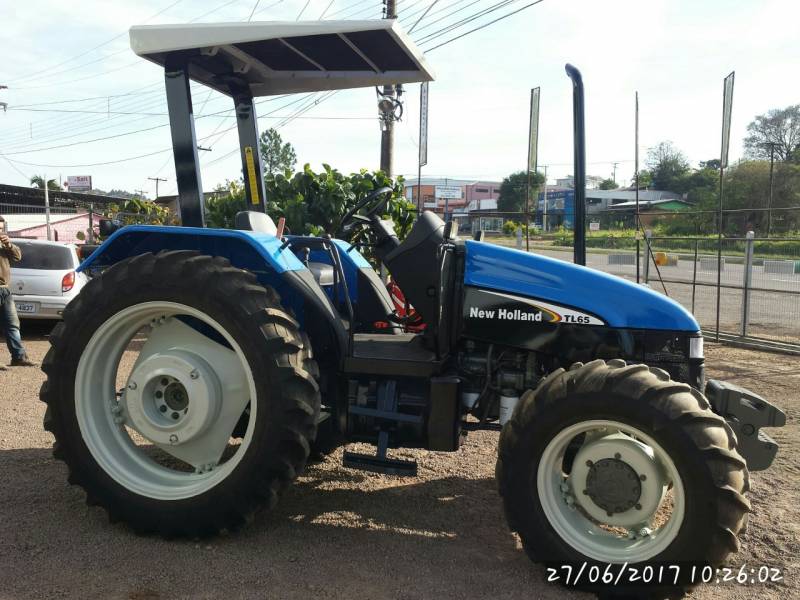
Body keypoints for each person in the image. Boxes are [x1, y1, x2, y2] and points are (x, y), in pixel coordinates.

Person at [0, 216, 35, 368]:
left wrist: (8, 244)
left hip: (5, 290)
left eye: (1, 229)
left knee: (12, 324)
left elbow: (17, 257)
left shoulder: (4, 244)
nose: (0, 231)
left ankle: (19, 357)